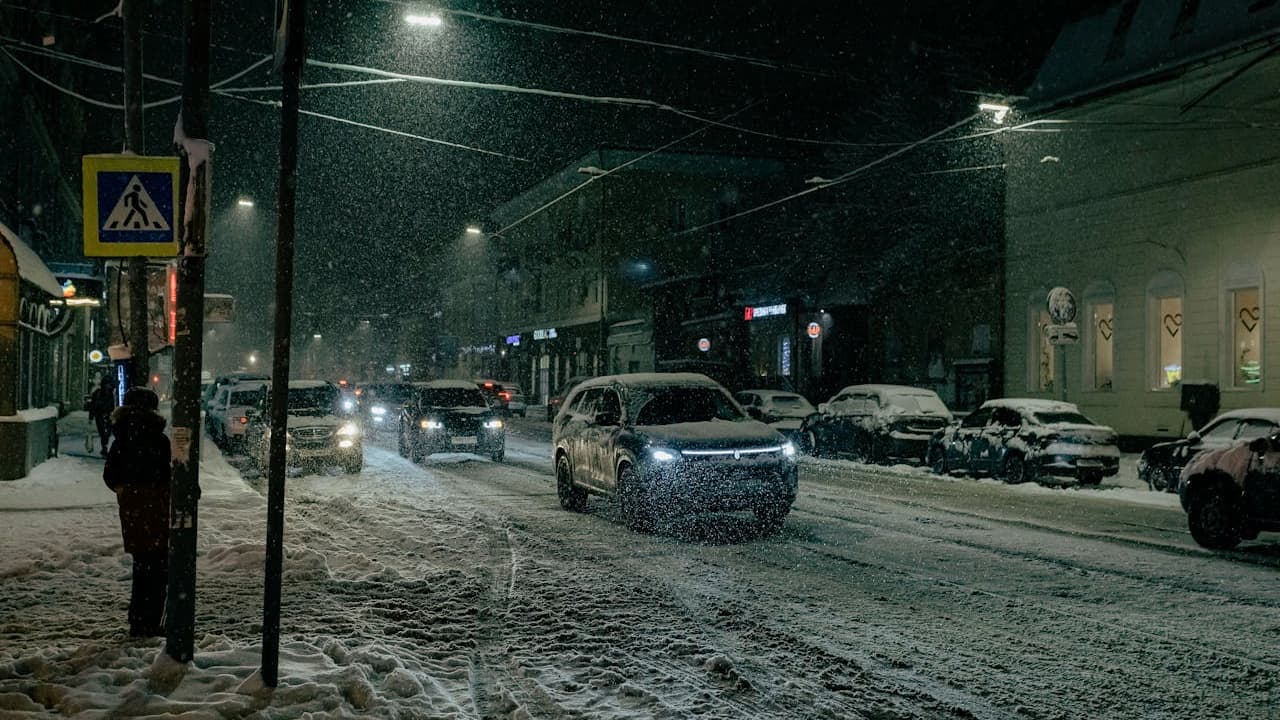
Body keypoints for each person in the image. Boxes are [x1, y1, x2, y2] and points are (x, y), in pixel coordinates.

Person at [103, 387, 171, 637]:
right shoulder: (158, 439)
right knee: (158, 566)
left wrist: (125, 491)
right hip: (156, 509)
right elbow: (166, 474)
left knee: (142, 564)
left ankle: (139, 619)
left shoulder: (121, 438)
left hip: (133, 511)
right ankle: (150, 620)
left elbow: (110, 475)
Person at [87, 375, 116, 457]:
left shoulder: (110, 394)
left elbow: (112, 406)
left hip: (107, 415)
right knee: (103, 432)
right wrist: (91, 416)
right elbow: (92, 406)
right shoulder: (99, 393)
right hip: (99, 415)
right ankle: (104, 447)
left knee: (106, 433)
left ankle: (104, 447)